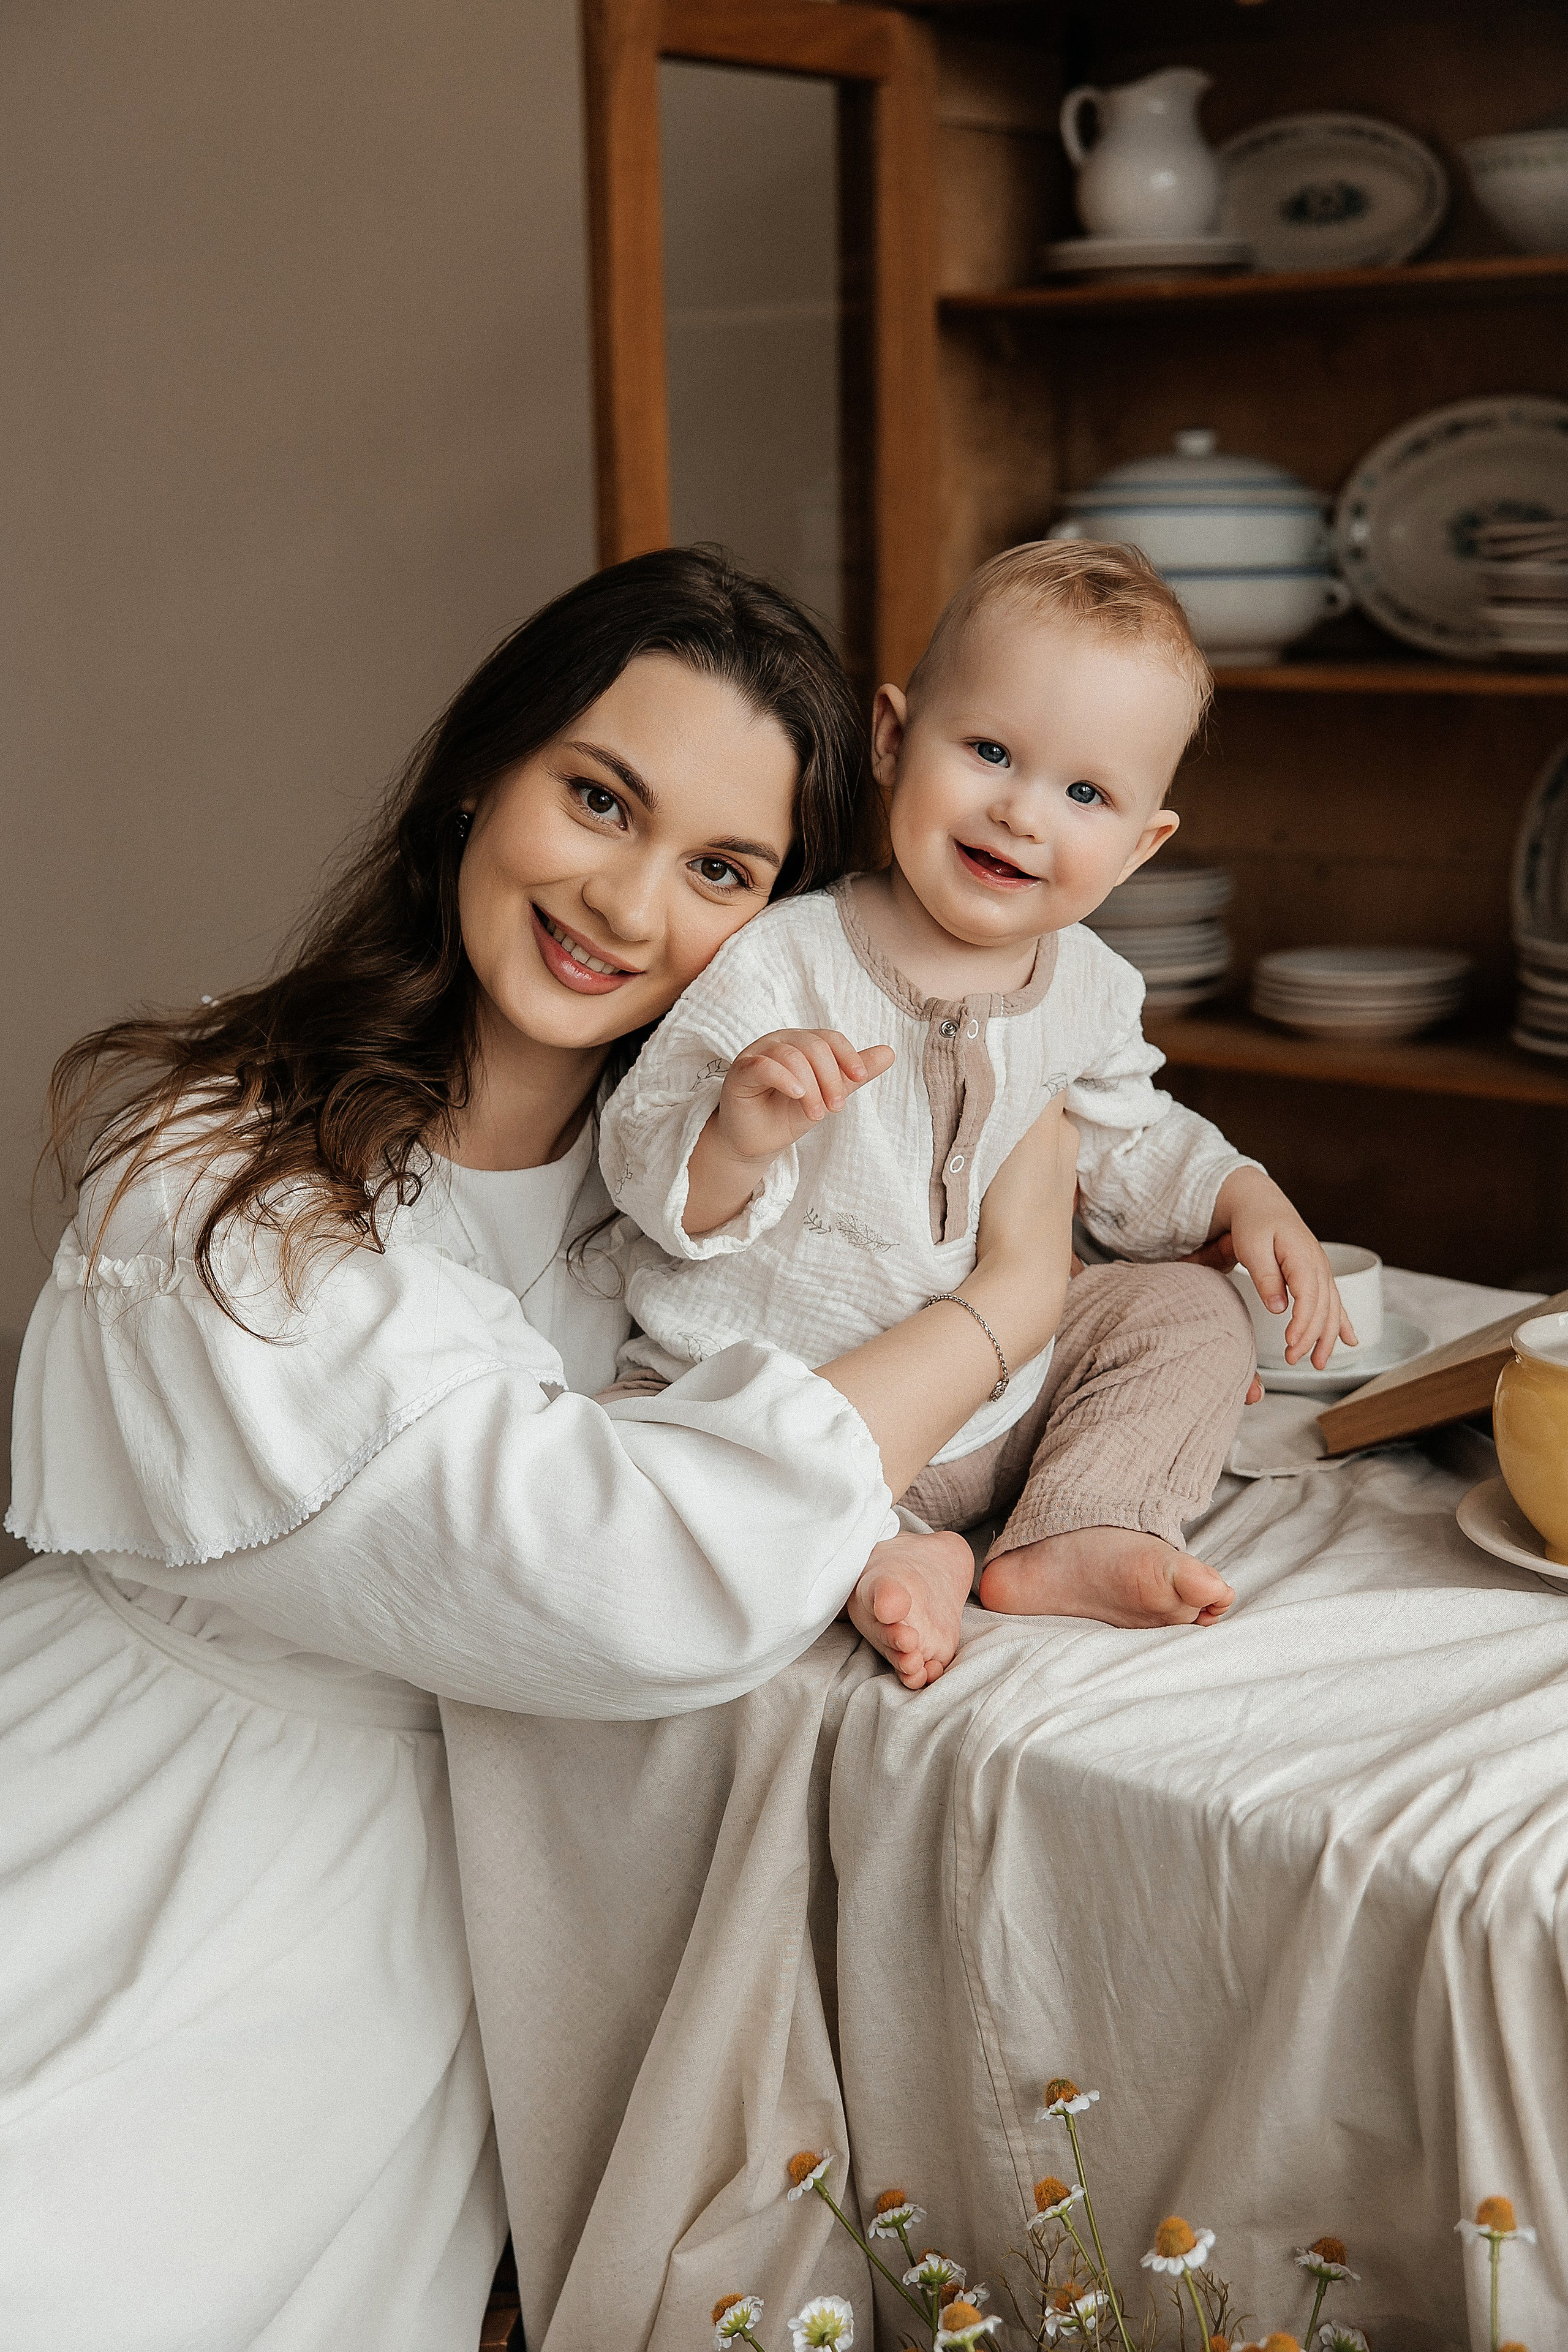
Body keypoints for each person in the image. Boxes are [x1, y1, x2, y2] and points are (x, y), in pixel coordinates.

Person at [0, 548, 1075, 2351]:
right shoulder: (213, 1177)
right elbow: (621, 1568)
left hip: (478, 1918)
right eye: (599, 799)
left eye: (722, 870)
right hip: (154, 1846)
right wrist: (1004, 1302)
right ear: (476, 777)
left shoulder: (713, 1202)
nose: (629, 903)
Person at [600, 541, 1354, 1660]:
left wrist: (1244, 1196)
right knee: (648, 1470)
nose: (1022, 812)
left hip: (996, 1402)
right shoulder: (782, 957)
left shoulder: (1091, 987)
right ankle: (891, 1548)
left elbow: (1130, 1140)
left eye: (1086, 791)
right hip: (784, 1391)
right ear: (896, 741)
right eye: (991, 750)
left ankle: (1078, 1523)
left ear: (1141, 846)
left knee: (1192, 1314)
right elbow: (642, 1172)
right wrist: (737, 1136)